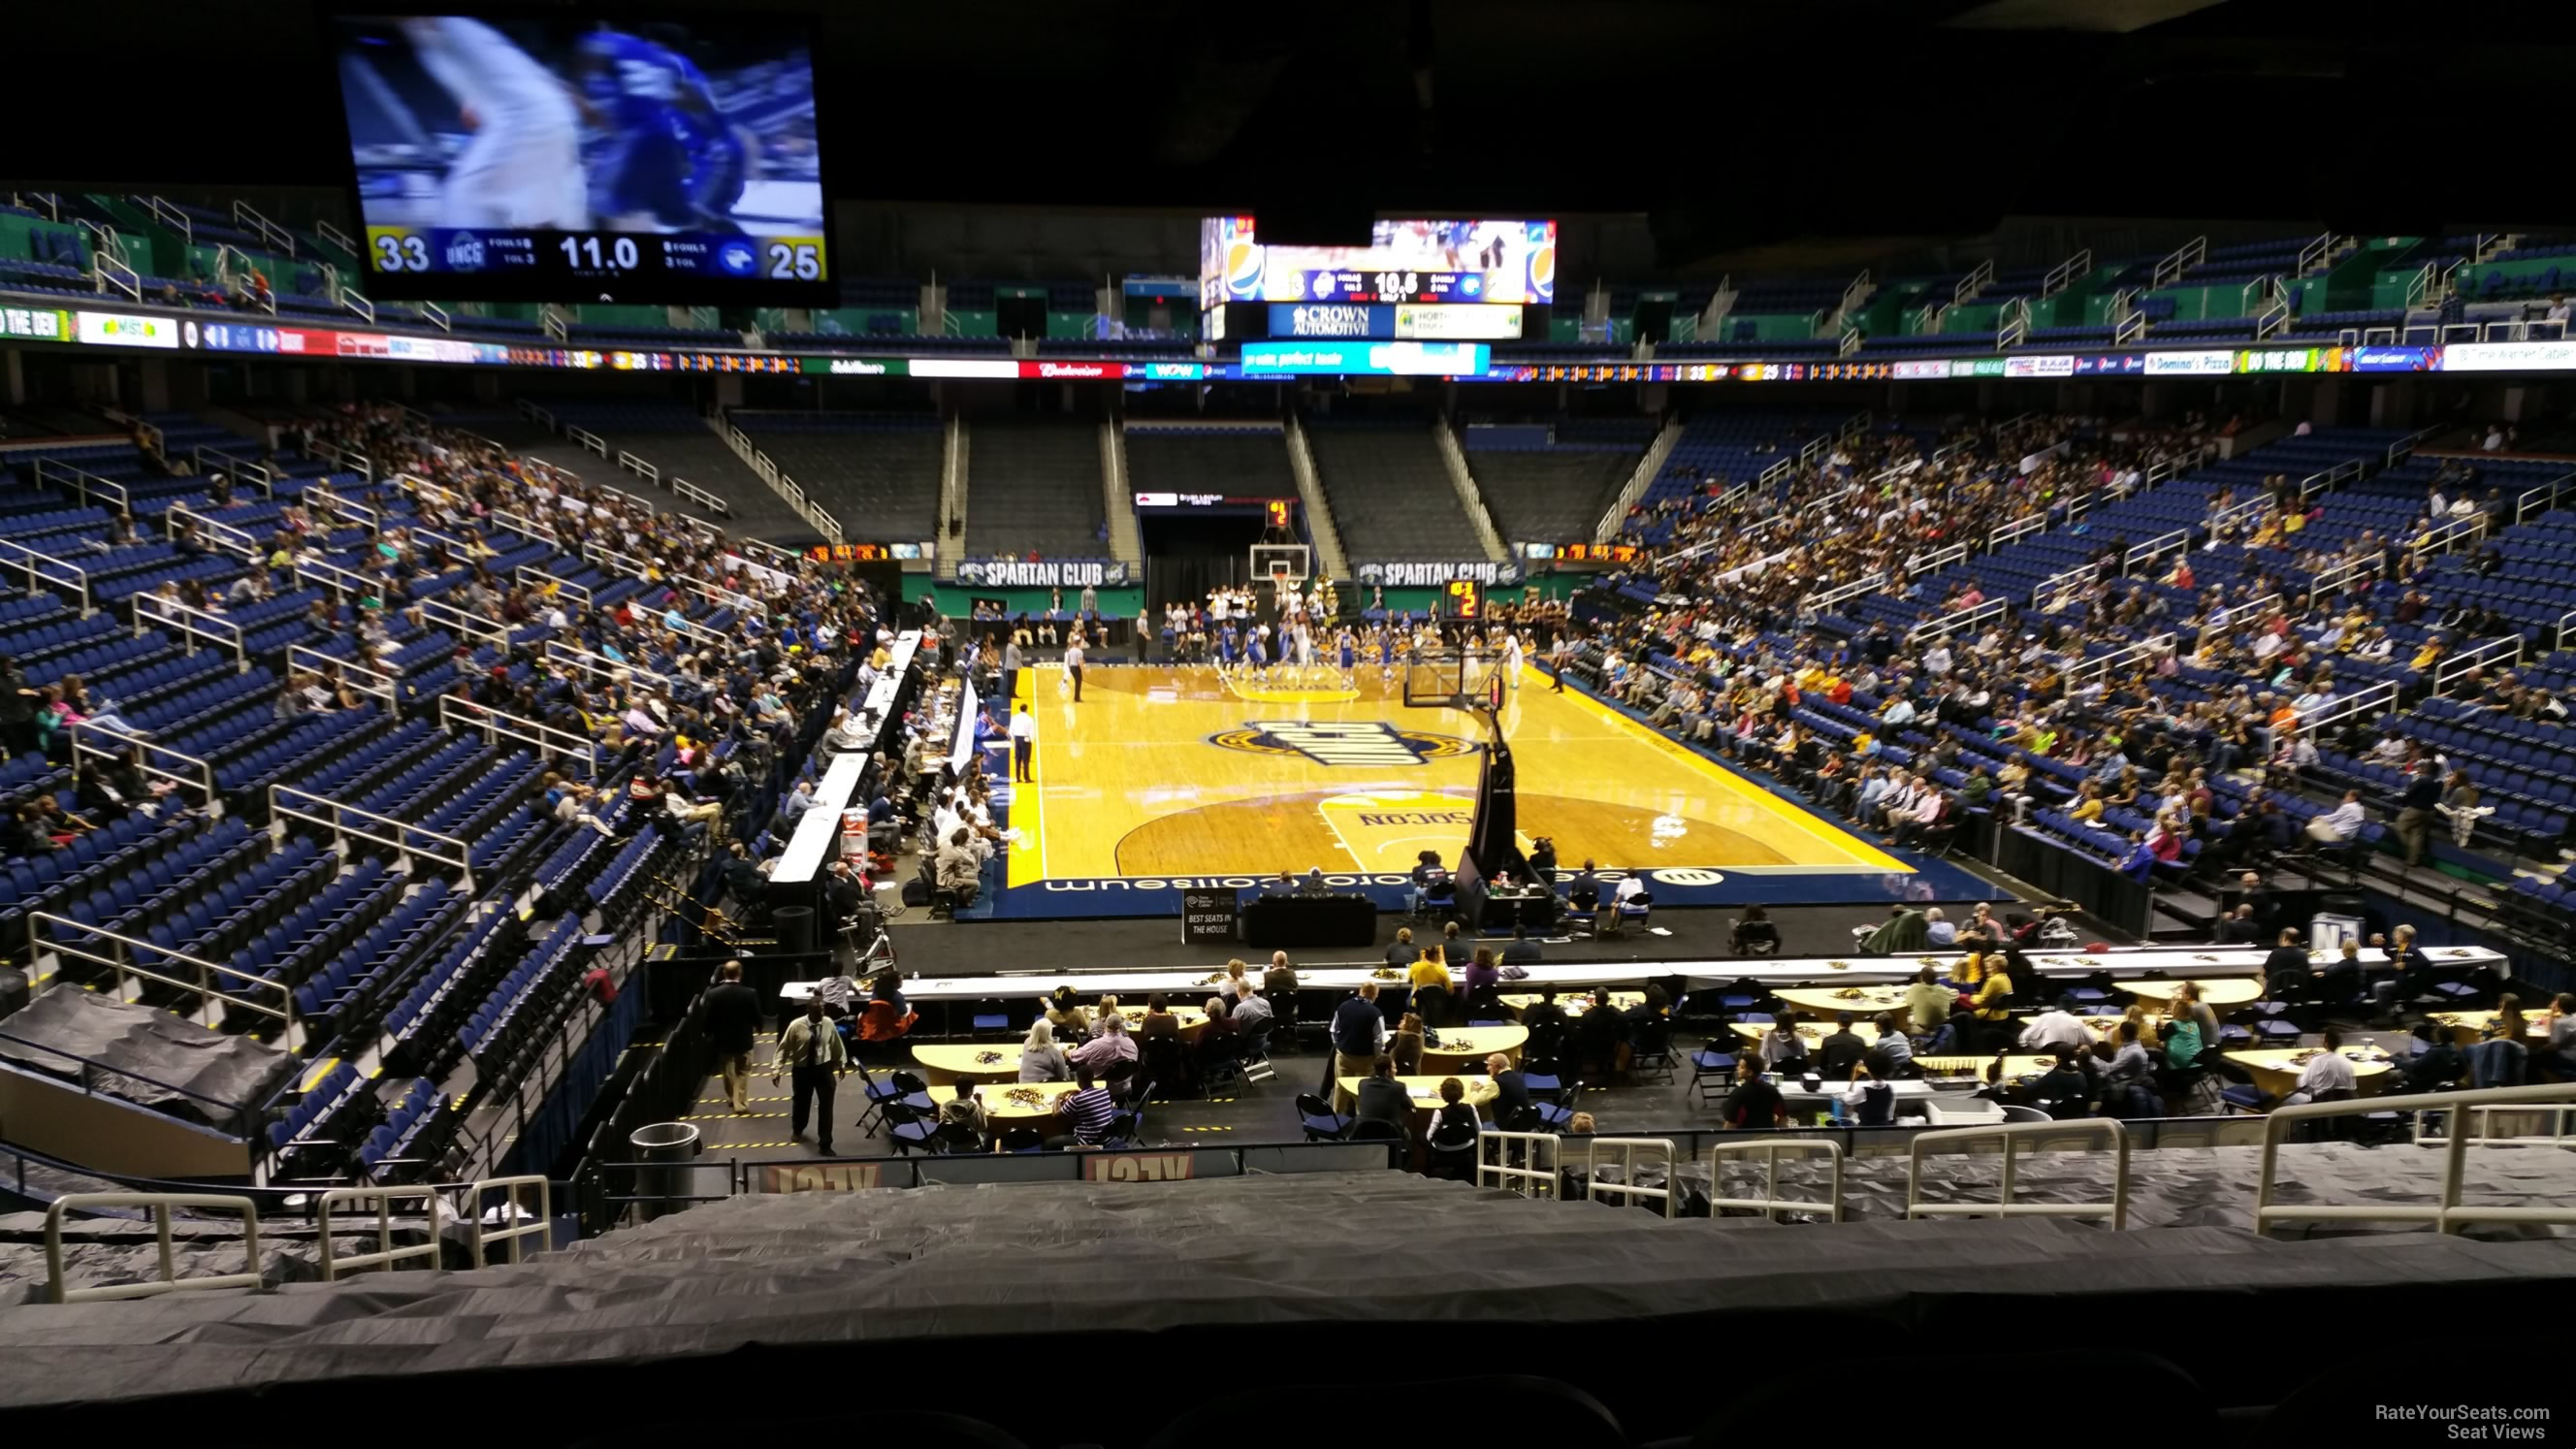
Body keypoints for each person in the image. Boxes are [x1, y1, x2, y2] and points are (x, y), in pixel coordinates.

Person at [771, 995, 849, 1153]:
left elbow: (835, 1044)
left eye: (822, 1010)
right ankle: (798, 1129)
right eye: (817, 1011)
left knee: (826, 1107)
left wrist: (841, 1062)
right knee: (801, 1103)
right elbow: (784, 1048)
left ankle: (825, 1142)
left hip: (824, 1069)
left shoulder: (828, 1023)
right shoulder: (796, 1026)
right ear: (808, 1010)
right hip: (802, 1070)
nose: (821, 1014)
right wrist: (777, 1069)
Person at [704, 959, 762, 1113]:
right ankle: (740, 1103)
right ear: (740, 974)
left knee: (727, 1070)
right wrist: (759, 1027)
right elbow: (757, 1014)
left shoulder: (713, 994)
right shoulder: (750, 993)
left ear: (724, 973)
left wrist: (707, 1032)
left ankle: (731, 1097)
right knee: (743, 1072)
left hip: (723, 1040)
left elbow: (708, 1017)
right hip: (743, 1039)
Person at [1331, 982, 1387, 1112]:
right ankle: (1362, 1124)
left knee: (1340, 1090)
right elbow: (1379, 1041)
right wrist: (1377, 1058)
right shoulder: (1376, 1013)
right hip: (1365, 1061)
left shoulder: (1343, 1007)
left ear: (1360, 991)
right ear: (1373, 995)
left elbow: (1334, 1030)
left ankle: (1335, 1122)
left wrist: (1339, 1046)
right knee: (1362, 1093)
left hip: (1343, 1056)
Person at [2280, 1027, 2358, 1106]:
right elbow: (2352, 1088)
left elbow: (2302, 1085)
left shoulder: (2316, 1061)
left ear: (2326, 1043)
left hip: (2318, 1105)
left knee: (2288, 1096)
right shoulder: (2347, 1062)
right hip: (2342, 1106)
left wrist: (2308, 1066)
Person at [1050, 1065, 1117, 1147]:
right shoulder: (1105, 1092)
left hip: (1088, 1142)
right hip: (1106, 1139)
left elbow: (1055, 1115)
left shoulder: (1077, 1099)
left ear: (1078, 1079)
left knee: (1048, 1143)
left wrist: (1057, 1097)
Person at [1722, 1054, 1787, 1130]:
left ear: (1750, 1072)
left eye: (1742, 1067)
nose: (1737, 1068)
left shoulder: (1739, 1093)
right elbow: (1783, 1118)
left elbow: (1730, 1124)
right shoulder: (1772, 1090)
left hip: (1744, 1138)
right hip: (1768, 1137)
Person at [1353, 1054, 1412, 1135]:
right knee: (1408, 1134)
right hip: (1390, 1134)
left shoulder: (1363, 1084)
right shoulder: (1399, 1087)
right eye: (1394, 1068)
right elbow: (1409, 1105)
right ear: (1387, 1071)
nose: (1396, 1071)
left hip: (1363, 1133)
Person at [2018, 995, 2092, 1054]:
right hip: (2068, 1056)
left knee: (2027, 1040)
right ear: (2074, 1010)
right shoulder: (2077, 1021)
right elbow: (2092, 1042)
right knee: (2084, 1047)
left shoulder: (2045, 1016)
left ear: (2057, 1008)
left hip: (2046, 1053)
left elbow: (2027, 1037)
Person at [1069, 1012, 1137, 1073]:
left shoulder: (1095, 1044)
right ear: (1121, 1027)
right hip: (1126, 1085)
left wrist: (1066, 1052)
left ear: (1105, 1025)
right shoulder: (1131, 1043)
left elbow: (1075, 1057)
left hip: (1098, 1084)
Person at [1486, 1050, 1536, 1130]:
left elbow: (1477, 1101)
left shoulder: (1497, 1082)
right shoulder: (1519, 1077)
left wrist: (1474, 1089)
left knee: (1476, 1128)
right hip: (1523, 1125)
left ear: (1497, 1066)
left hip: (1506, 1129)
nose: (1487, 1068)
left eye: (1490, 1065)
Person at [1903, 965, 1951, 1045]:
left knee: (1903, 1026)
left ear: (1921, 978)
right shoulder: (1944, 989)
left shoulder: (1915, 988)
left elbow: (1908, 1002)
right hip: (1941, 1027)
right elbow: (1955, 994)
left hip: (1923, 1029)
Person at [1844, 1053, 1897, 1126]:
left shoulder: (1863, 1090)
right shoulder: (1891, 1089)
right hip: (1884, 1127)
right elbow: (1890, 1116)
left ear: (1869, 1071)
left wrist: (1854, 1077)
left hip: (1866, 1128)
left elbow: (1848, 1100)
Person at [1018, 1017, 1073, 1082]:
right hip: (1044, 1084)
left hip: (1023, 1082)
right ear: (1049, 1033)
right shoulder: (1055, 1053)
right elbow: (1064, 1077)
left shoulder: (1027, 1042)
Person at [1816, 1013, 1869, 1077]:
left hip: (1834, 1076)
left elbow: (1822, 1065)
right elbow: (1864, 1062)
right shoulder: (1860, 1040)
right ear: (1852, 1023)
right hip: (1854, 1076)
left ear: (1838, 1022)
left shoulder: (1828, 1040)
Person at [1009, 701, 1037, 783]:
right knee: (1026, 760)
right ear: (1026, 709)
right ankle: (1026, 778)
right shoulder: (1029, 719)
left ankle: (1017, 778)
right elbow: (1031, 731)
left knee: (1018, 759)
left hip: (1017, 739)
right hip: (1026, 740)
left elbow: (1011, 730)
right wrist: (1032, 740)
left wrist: (1014, 738)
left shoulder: (1014, 717)